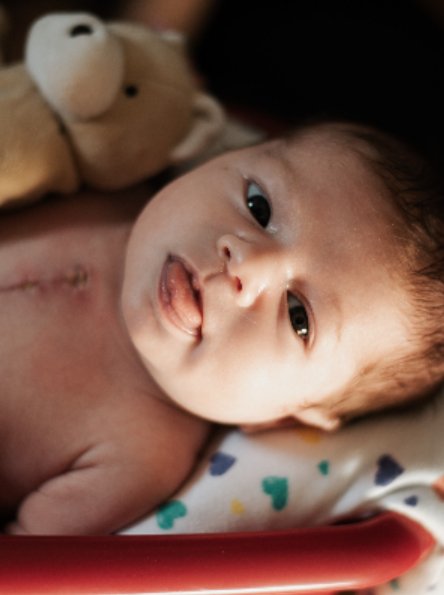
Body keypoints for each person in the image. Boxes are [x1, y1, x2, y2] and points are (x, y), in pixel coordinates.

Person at [1, 120, 443, 535]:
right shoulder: (106, 175)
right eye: (258, 206)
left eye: (299, 316)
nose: (247, 263)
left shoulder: (135, 459)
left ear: (282, 417)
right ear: (220, 157)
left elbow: (23, 567)